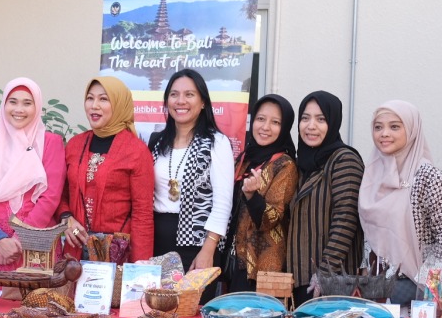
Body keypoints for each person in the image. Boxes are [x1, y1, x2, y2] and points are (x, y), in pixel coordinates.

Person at [358, 100, 442, 304]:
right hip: (375, 289)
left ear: (412, 130)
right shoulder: (372, 174)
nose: (384, 133)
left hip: (414, 290)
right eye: (378, 127)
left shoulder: (429, 177)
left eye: (395, 126)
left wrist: (427, 293)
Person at [0, 78, 65, 272]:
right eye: (13, 101)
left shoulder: (50, 143)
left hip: (35, 249)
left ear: (37, 107)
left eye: (27, 103)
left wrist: (18, 240)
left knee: (34, 301)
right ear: (4, 104)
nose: (19, 109)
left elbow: (50, 197)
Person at [59, 77, 154, 264]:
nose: (94, 105)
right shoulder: (75, 145)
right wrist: (67, 219)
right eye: (90, 98)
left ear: (119, 104)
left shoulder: (137, 151)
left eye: (103, 99)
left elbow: (142, 215)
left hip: (117, 254)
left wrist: (139, 267)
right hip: (76, 250)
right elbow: (61, 195)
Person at [148, 69, 234, 273]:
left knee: (193, 306)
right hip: (156, 241)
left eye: (189, 94)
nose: (180, 101)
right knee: (154, 305)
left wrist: (208, 249)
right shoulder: (156, 142)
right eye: (174, 94)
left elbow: (223, 202)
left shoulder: (216, 142)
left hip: (197, 245)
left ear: (203, 102)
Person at [287, 91, 365, 305]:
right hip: (300, 280)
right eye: (305, 118)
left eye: (321, 119)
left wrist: (324, 272)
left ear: (333, 123)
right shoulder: (300, 166)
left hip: (332, 283)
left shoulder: (344, 160)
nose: (311, 126)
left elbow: (346, 219)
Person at [226, 94, 299, 292]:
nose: (265, 127)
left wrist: (252, 196)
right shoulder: (244, 159)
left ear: (284, 128)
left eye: (275, 122)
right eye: (260, 119)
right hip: (234, 261)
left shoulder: (285, 165)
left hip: (262, 268)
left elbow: (272, 217)